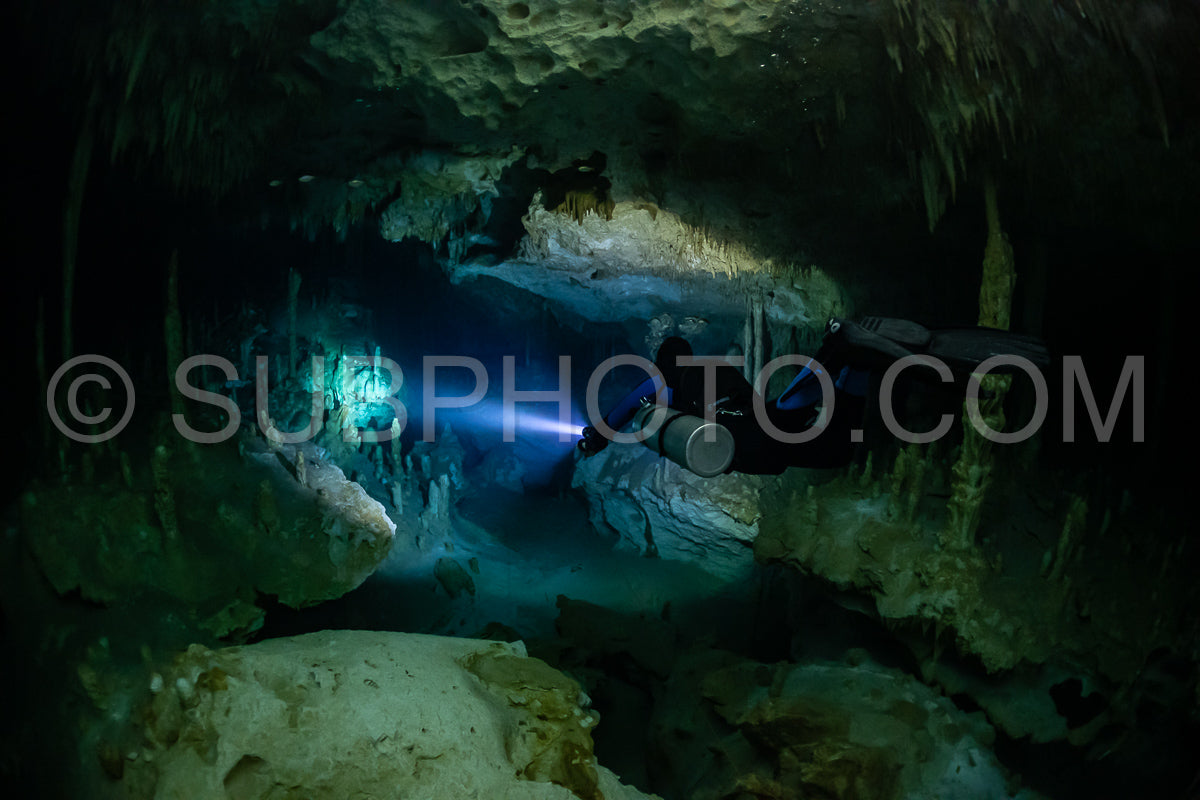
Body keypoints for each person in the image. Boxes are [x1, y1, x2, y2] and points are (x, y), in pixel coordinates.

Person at [577, 317, 1049, 476]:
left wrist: (594, 439)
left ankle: (841, 345)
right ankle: (852, 355)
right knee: (832, 444)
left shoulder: (661, 378)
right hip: (758, 418)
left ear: (664, 358)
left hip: (738, 437)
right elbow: (770, 407)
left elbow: (620, 411)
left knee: (801, 432)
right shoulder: (715, 368)